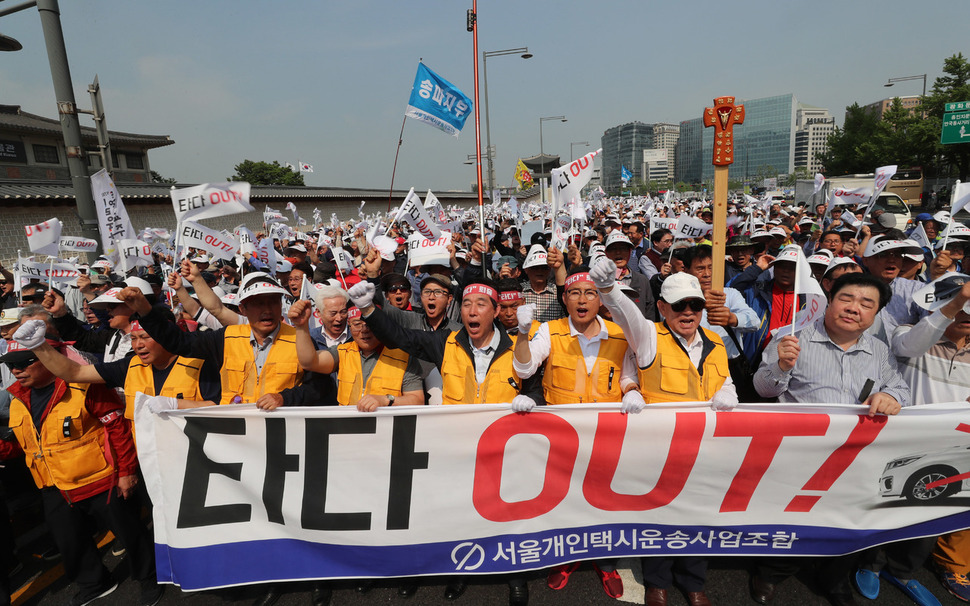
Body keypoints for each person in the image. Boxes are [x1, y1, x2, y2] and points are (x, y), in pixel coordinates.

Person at [349, 278, 542, 605]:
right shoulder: (445, 342)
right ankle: (460, 570)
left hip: (506, 448)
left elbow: (535, 388)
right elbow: (402, 337)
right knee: (461, 512)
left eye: (481, 304)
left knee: (510, 514)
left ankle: (515, 576)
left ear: (495, 311)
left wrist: (532, 401)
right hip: (459, 446)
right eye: (466, 304)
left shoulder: (518, 347)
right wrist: (369, 309)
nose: (472, 311)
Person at [750, 272, 911, 606]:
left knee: (848, 522)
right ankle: (771, 572)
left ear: (876, 313)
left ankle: (835, 579)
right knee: (794, 520)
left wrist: (891, 397)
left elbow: (900, 388)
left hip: (858, 456)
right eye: (847, 299)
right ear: (829, 299)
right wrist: (781, 364)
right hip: (801, 454)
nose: (854, 309)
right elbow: (762, 388)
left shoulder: (878, 350)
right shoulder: (792, 338)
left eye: (867, 304)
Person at [591, 259, 736, 606]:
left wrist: (729, 390)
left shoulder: (716, 340)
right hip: (660, 449)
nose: (688, 312)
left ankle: (693, 581)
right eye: (679, 306)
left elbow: (724, 378)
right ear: (661, 308)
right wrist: (609, 290)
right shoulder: (649, 337)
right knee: (659, 516)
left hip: (705, 448)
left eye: (696, 304)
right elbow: (627, 316)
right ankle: (657, 581)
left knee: (699, 515)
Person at [0, 338, 163, 606]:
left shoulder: (83, 387)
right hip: (54, 486)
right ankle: (95, 583)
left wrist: (126, 472)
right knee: (70, 542)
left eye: (23, 363)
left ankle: (149, 577)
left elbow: (118, 429)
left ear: (49, 358)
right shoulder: (18, 397)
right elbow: (23, 444)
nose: (16, 371)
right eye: (11, 365)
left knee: (130, 533)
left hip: (100, 479)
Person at [512, 268, 635, 599]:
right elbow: (524, 368)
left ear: (601, 300)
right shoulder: (547, 333)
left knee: (607, 502)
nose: (582, 300)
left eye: (590, 293)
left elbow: (626, 376)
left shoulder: (620, 334)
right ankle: (565, 559)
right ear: (564, 299)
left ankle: (606, 563)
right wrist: (523, 334)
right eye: (575, 293)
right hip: (562, 438)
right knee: (563, 499)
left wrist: (632, 389)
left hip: (607, 437)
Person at [289, 301, 423, 410]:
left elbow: (417, 400)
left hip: (387, 434)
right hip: (348, 432)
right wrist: (301, 326)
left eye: (371, 324)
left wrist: (385, 400)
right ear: (349, 325)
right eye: (357, 324)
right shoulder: (342, 353)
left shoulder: (404, 357)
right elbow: (309, 362)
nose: (364, 331)